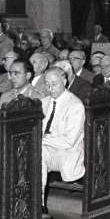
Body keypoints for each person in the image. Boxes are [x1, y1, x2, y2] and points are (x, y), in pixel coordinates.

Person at [41, 67, 85, 205]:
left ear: (64, 82)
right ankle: (36, 202)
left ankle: (36, 202)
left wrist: (42, 140)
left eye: (54, 84)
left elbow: (69, 141)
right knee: (31, 154)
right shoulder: (43, 102)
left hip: (67, 153)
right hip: (46, 150)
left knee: (37, 153)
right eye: (47, 84)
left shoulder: (75, 105)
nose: (50, 88)